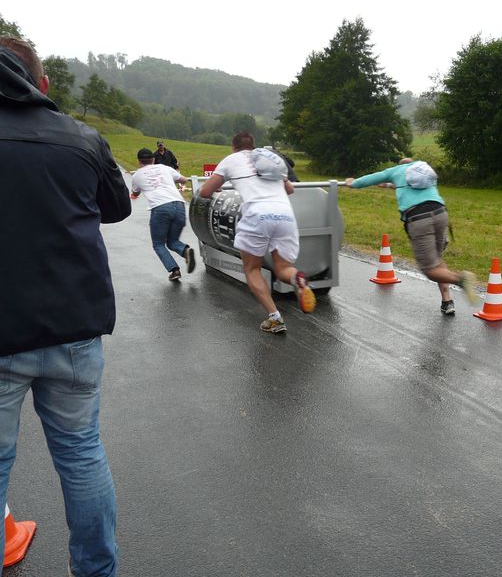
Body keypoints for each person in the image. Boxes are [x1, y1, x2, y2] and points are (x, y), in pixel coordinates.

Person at [0, 37, 130, 577]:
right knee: (81, 453)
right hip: (74, 329)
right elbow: (116, 208)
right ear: (42, 83)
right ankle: (96, 570)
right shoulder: (81, 136)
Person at [198, 131, 315, 333]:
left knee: (252, 269)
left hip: (257, 215)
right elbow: (290, 189)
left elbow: (205, 192)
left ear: (233, 147)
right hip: (285, 214)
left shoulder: (231, 160)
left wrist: (220, 189)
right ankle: (299, 280)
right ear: (253, 146)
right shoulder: (269, 160)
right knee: (283, 269)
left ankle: (275, 318)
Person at [345, 159, 478, 314]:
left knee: (429, 269)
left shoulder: (395, 171)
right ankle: (447, 301)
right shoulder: (424, 171)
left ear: (401, 165)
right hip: (441, 214)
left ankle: (461, 279)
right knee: (437, 260)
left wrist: (353, 183)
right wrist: (388, 185)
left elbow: (370, 178)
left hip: (420, 219)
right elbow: (411, 189)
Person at [131, 148, 196, 281]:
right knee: (172, 241)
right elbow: (183, 180)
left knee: (158, 244)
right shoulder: (164, 168)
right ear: (153, 159)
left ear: (139, 161)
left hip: (160, 208)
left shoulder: (137, 175)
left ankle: (174, 270)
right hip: (179, 205)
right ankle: (185, 251)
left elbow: (135, 192)